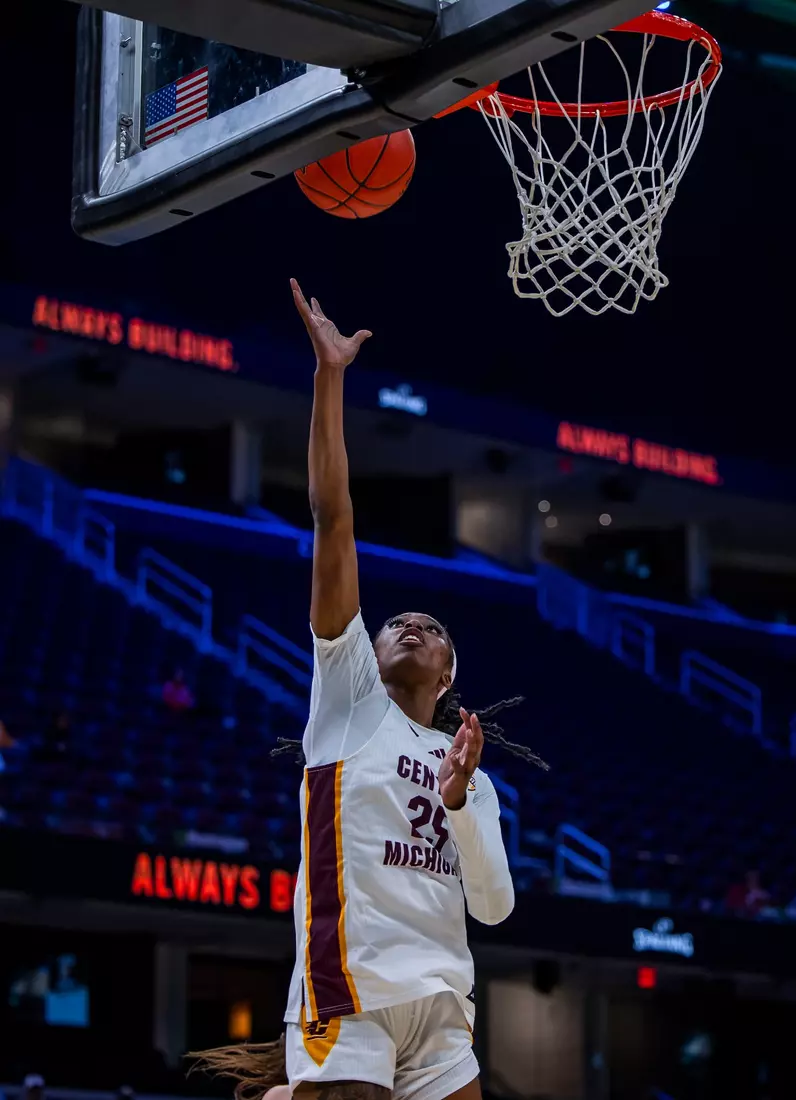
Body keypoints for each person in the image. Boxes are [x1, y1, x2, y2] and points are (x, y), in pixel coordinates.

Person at [191, 281, 548, 1100]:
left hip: (441, 998)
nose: (411, 624)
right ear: (368, 650)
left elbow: (492, 909)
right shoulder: (348, 699)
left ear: (450, 675)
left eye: (431, 627)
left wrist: (459, 802)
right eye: (396, 622)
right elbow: (332, 516)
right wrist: (330, 377)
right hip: (349, 980)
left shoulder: (472, 772)